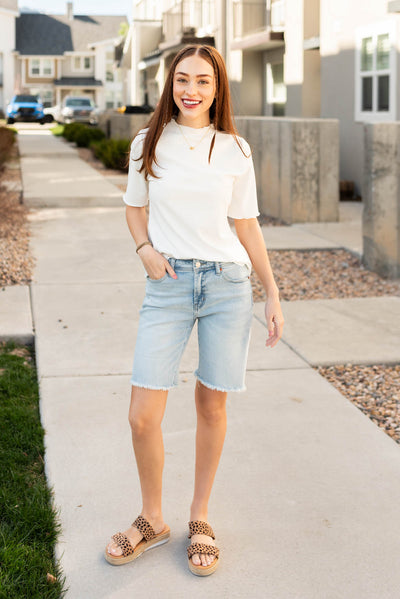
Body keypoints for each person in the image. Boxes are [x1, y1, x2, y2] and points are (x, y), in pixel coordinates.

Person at [104, 44, 284, 577]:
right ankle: (152, 519)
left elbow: (246, 224)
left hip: (228, 284)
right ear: (169, 84)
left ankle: (199, 517)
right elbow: (135, 208)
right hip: (169, 284)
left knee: (212, 408)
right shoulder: (148, 143)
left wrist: (272, 291)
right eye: (182, 79)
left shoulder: (235, 149)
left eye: (203, 81)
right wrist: (146, 252)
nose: (191, 90)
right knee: (143, 417)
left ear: (217, 88)